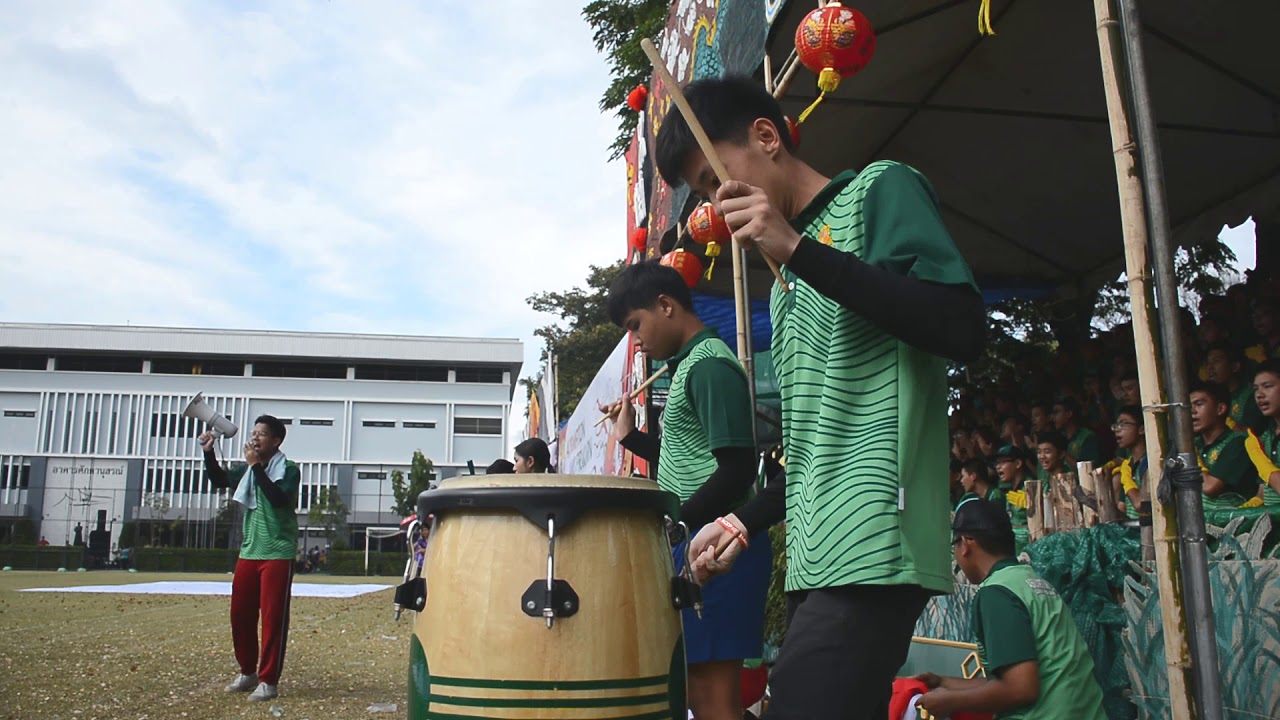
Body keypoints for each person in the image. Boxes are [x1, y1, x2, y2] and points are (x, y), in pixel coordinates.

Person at [663, 75, 984, 719]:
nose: (717, 203)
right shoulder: (784, 291)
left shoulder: (878, 190)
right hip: (813, 558)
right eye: (702, 193)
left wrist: (799, 249)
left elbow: (961, 327)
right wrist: (739, 521)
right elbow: (808, 447)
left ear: (766, 135)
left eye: (715, 176)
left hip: (877, 542)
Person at [600, 260, 770, 720]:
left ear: (665, 305)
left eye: (636, 325)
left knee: (713, 701)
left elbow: (736, 470)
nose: (636, 342)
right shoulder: (689, 366)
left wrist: (675, 526)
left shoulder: (711, 366)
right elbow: (688, 458)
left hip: (717, 547)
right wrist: (629, 438)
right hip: (700, 540)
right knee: (702, 697)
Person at [913, 498, 1108, 720]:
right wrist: (944, 683)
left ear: (966, 544)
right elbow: (1008, 679)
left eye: (954, 545)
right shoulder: (1030, 581)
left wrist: (949, 701)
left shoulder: (996, 593)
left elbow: (1021, 688)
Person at [201, 415, 300, 703]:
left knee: (272, 619)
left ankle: (269, 680)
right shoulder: (248, 470)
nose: (255, 438)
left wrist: (256, 466)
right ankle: (248, 671)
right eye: (254, 433)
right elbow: (219, 479)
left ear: (277, 441)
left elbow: (278, 498)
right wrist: (209, 452)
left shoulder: (289, 470)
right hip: (250, 551)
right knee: (240, 615)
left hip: (278, 553)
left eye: (262, 434)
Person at [1189, 381, 1260, 512]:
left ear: (1220, 409)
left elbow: (1209, 487)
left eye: (1199, 404)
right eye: (1189, 406)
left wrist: (1191, 457)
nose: (1192, 411)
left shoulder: (1238, 442)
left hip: (1231, 526)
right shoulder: (1195, 443)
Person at [1243, 360, 1280, 506]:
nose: (1259, 395)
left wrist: (1261, 461)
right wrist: (1254, 503)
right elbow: (1263, 491)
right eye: (1256, 389)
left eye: (1267, 386)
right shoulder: (1265, 436)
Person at [1110, 406, 1148, 520]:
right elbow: (1122, 509)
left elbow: (1140, 504)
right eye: (1117, 425)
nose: (1118, 429)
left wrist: (1126, 478)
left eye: (1124, 424)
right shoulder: (1129, 464)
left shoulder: (1150, 462)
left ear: (1141, 429)